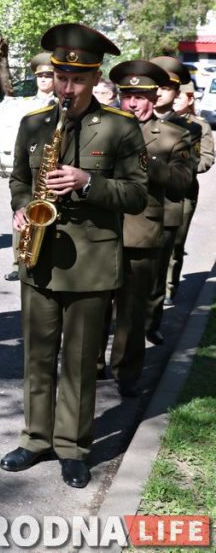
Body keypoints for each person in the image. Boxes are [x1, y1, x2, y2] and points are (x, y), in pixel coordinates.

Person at [0, 23, 147, 490]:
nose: (67, 87)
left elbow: (138, 195)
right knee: (37, 357)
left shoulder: (121, 128)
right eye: (62, 76)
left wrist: (87, 182)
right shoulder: (33, 123)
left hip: (92, 264)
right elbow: (19, 180)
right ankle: (35, 438)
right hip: (39, 257)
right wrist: (23, 208)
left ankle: (73, 447)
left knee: (80, 363)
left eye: (78, 79)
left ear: (94, 77)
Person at [101, 60, 192, 398]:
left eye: (141, 96)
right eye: (127, 96)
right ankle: (93, 364)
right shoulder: (100, 127)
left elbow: (182, 182)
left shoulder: (173, 136)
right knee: (94, 306)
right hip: (98, 229)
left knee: (131, 309)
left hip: (140, 232)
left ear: (153, 98)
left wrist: (146, 159)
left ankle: (126, 372)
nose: (133, 103)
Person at [144, 56, 198, 342]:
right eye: (157, 85)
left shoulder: (189, 128)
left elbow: (186, 172)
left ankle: (150, 324)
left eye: (168, 87)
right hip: (132, 209)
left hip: (167, 206)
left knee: (156, 274)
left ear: (177, 92)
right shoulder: (131, 118)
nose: (162, 91)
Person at [0, 52, 56, 281]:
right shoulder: (24, 106)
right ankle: (19, 259)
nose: (43, 79)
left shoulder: (62, 104)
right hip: (29, 159)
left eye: (48, 75)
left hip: (50, 162)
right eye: (40, 75)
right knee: (23, 207)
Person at [167, 79, 215, 301]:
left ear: (190, 98)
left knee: (175, 243)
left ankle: (168, 286)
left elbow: (206, 158)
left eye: (179, 96)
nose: (174, 99)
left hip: (183, 191)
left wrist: (184, 167)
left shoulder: (200, 125)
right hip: (153, 192)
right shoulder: (157, 121)